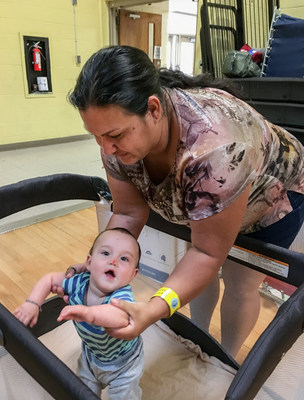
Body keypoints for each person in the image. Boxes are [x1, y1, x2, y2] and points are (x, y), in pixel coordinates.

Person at [64, 45, 304, 358]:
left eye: (115, 135)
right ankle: (199, 339)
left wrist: (153, 309)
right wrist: (97, 261)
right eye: (96, 137)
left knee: (239, 279)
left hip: (273, 196)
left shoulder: (215, 148)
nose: (107, 149)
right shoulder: (119, 138)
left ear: (153, 110)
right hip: (217, 184)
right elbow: (127, 212)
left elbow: (208, 253)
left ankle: (225, 363)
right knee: (196, 264)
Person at [14, 227, 144, 400]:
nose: (114, 261)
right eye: (105, 253)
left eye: (124, 258)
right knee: (82, 390)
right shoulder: (79, 282)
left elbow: (119, 317)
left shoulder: (122, 296)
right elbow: (50, 279)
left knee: (124, 396)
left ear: (132, 275)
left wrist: (89, 314)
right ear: (89, 262)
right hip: (91, 354)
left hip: (124, 363)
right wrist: (33, 303)